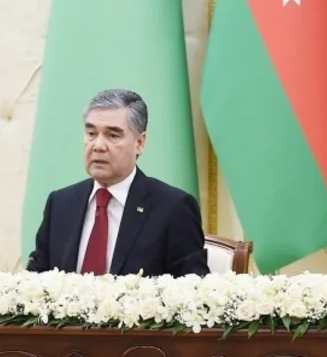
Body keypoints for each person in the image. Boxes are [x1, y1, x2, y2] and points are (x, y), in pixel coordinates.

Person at [25, 89, 210, 277]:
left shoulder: (173, 208)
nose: (98, 146)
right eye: (91, 133)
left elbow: (193, 286)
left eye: (113, 135)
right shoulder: (60, 204)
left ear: (139, 143)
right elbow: (35, 279)